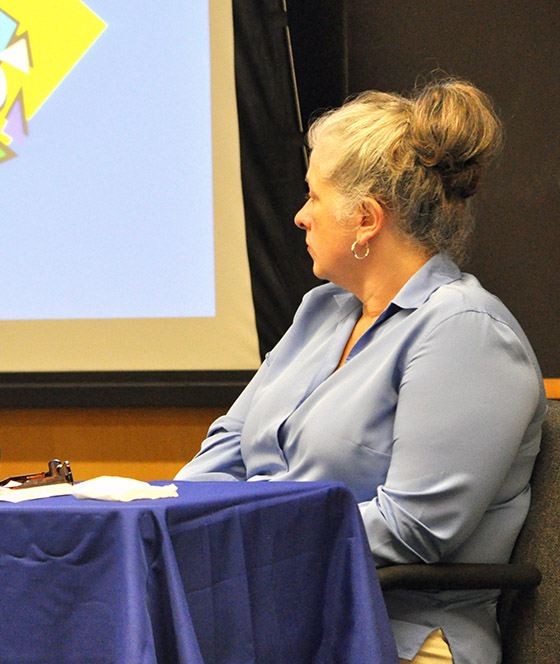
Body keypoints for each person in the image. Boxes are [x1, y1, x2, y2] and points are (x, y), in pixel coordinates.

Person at [176, 79, 546, 664]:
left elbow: (412, 528)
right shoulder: (321, 311)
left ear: (367, 219)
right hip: (270, 619)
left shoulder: (465, 331)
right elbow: (224, 451)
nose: (300, 216)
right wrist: (165, 524)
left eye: (313, 197)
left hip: (393, 634)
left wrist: (246, 540)